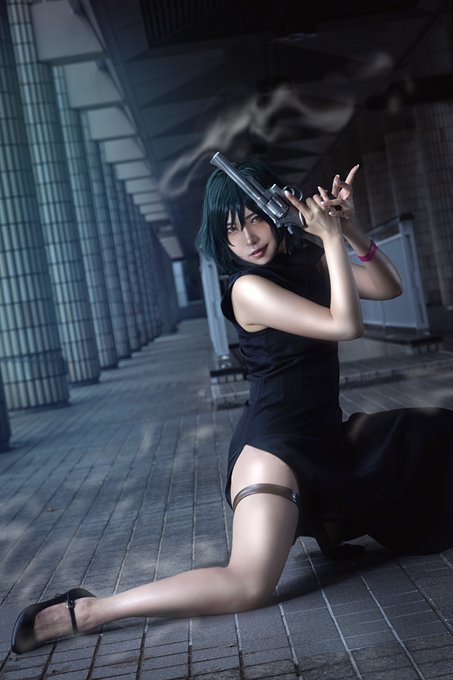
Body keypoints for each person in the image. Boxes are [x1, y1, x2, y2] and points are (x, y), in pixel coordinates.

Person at [11, 158, 453, 656]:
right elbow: (346, 326)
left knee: (434, 433)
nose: (247, 237)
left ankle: (328, 517)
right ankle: (88, 610)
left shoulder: (305, 264)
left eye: (254, 217)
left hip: (327, 439)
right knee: (249, 585)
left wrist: (347, 228)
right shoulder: (248, 288)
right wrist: (329, 240)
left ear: (278, 208)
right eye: (231, 229)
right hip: (274, 451)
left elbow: (388, 286)